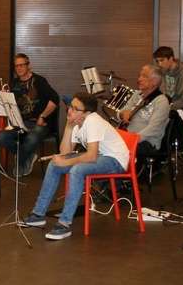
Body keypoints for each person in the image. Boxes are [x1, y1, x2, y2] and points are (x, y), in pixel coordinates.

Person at [23, 92, 129, 241]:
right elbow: (65, 152)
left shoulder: (92, 121)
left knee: (77, 169)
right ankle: (38, 214)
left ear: (86, 113)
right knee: (54, 164)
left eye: (75, 108)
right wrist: (68, 126)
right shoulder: (77, 123)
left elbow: (91, 156)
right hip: (100, 157)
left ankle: (64, 223)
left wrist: (65, 162)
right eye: (70, 106)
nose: (70, 110)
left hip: (115, 160)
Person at [0, 53, 60, 176]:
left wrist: (43, 116)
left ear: (28, 66)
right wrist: (5, 97)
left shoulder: (39, 81)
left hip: (40, 122)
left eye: (21, 65)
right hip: (21, 123)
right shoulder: (14, 83)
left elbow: (55, 99)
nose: (19, 68)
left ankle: (21, 161)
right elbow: (11, 106)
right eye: (16, 66)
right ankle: (28, 155)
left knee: (31, 139)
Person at [119, 64, 170, 160]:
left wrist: (131, 139)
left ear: (154, 82)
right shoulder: (137, 94)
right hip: (127, 136)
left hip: (147, 142)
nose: (139, 79)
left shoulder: (161, 101)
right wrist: (123, 114)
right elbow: (121, 112)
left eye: (144, 76)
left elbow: (153, 129)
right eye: (139, 75)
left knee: (113, 147)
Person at [152, 46, 183, 111]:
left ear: (171, 58)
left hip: (179, 111)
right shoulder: (163, 70)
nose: (159, 64)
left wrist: (166, 107)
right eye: (157, 61)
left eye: (162, 60)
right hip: (166, 108)